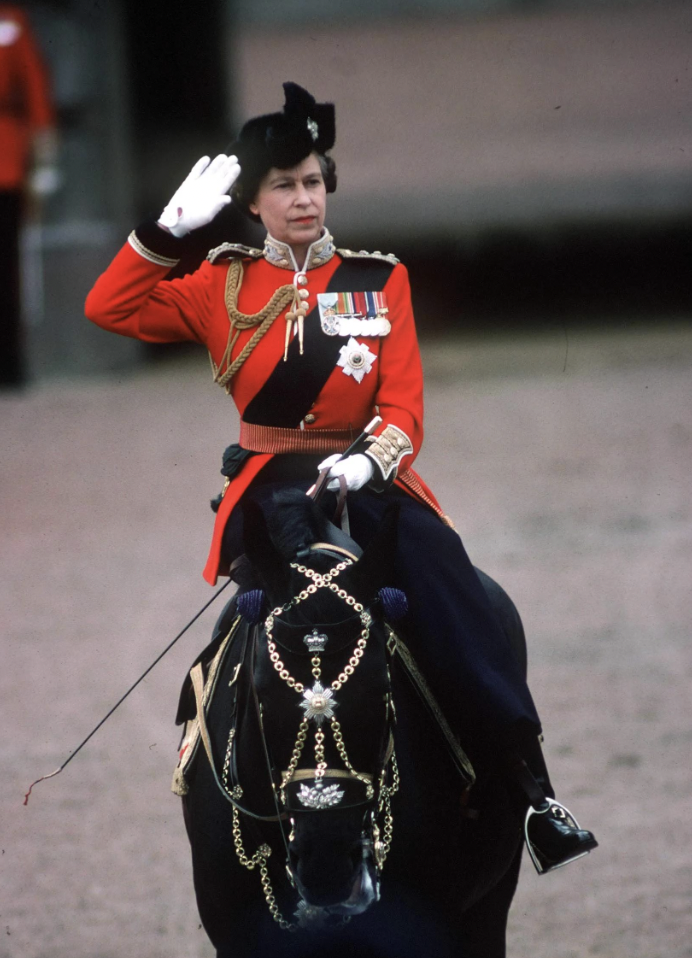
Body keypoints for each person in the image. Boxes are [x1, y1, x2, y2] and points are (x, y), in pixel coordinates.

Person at [85, 82, 597, 874]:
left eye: (315, 181)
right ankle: (219, 787)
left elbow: (405, 406)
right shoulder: (221, 284)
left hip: (368, 487)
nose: (304, 199)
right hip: (268, 493)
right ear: (253, 204)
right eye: (284, 185)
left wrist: (367, 459)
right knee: (238, 647)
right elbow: (108, 309)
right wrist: (160, 234)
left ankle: (531, 791)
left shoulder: (376, 280)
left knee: (462, 608)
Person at [0, 3, 59, 387]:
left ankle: (9, 366)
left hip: (5, 162)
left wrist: (43, 161)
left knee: (7, 272)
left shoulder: (10, 21)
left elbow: (35, 93)